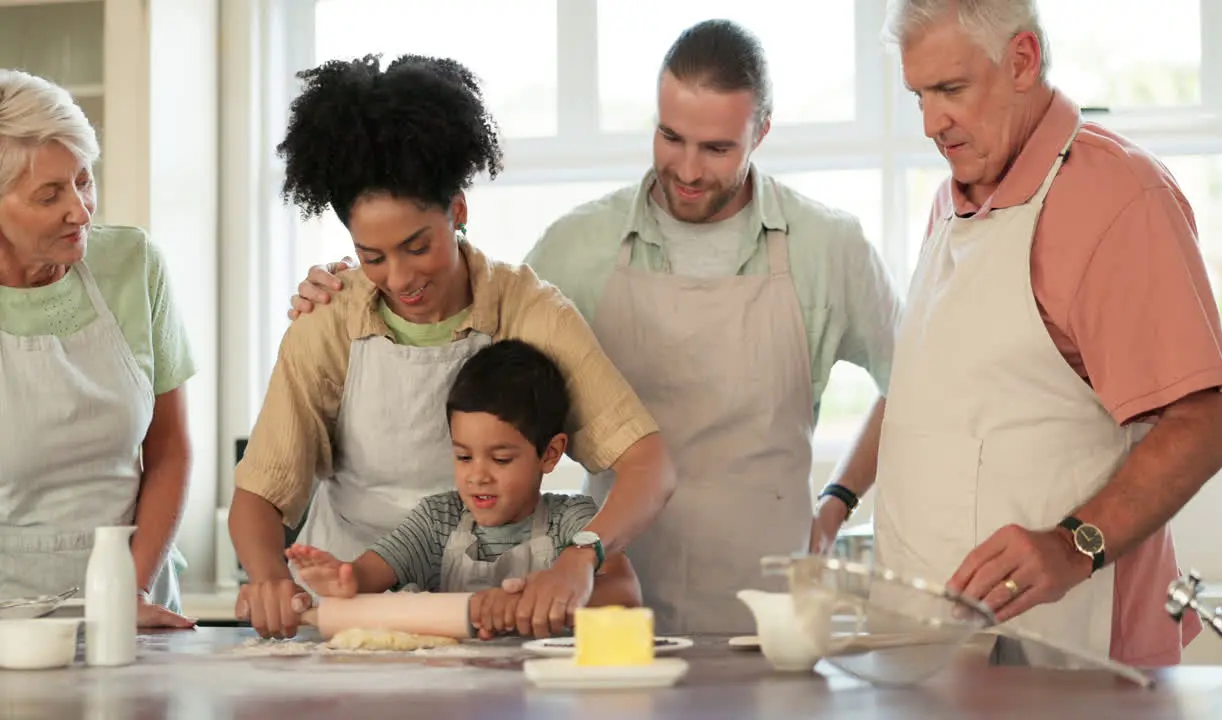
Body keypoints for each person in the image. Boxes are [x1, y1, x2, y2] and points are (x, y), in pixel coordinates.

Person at [288, 21, 904, 635]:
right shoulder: (576, 247)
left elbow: (910, 386)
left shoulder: (831, 249)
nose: (686, 169)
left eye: (716, 148)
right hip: (604, 605)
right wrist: (361, 283)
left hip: (771, 613)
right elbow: (456, 326)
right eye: (670, 136)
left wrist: (838, 501)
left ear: (761, 131)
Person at [229, 54, 674, 640]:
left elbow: (650, 467)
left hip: (491, 624)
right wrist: (268, 578)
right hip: (356, 619)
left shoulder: (530, 312)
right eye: (372, 256)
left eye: (417, 246)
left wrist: (580, 558)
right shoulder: (328, 321)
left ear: (458, 211)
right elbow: (259, 495)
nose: (399, 277)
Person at [866, 0, 1222, 667]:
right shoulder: (949, 203)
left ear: (1022, 61)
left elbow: (1205, 420)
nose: (930, 123)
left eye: (950, 90)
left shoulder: (1118, 198)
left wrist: (1074, 544)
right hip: (932, 656)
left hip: (1063, 657)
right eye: (918, 95)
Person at [0, 70, 196, 627]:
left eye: (84, 180)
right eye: (50, 195)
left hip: (136, 601)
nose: (81, 211)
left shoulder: (132, 265)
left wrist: (123, 597)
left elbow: (170, 450)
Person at [288, 339, 642, 640]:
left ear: (549, 454)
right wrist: (341, 580)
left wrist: (538, 598)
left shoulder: (571, 521)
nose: (478, 476)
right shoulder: (437, 522)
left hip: (548, 692)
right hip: (453, 697)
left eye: (501, 459)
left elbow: (627, 594)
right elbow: (366, 576)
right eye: (463, 456)